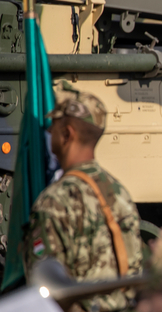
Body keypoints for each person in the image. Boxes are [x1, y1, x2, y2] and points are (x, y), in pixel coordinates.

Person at [24, 82, 143, 312]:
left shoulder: (54, 201)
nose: (48, 132)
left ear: (67, 134)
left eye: (53, 126)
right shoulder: (120, 193)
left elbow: (43, 291)